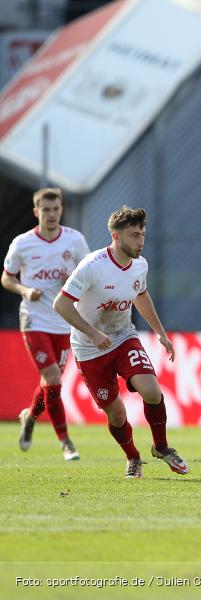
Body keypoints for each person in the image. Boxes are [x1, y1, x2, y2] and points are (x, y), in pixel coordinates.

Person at [52, 206, 189, 479]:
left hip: (124, 337)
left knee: (151, 390)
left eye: (142, 235)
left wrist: (160, 332)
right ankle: (133, 458)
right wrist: (92, 333)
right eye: (134, 235)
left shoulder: (140, 265)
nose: (140, 241)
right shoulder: (92, 266)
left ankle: (161, 447)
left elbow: (141, 295)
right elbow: (61, 304)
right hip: (89, 348)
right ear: (116, 236)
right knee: (115, 414)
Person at [2, 188, 89, 461]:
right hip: (35, 319)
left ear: (61, 210)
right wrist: (25, 291)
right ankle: (66, 442)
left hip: (64, 321)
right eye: (46, 210)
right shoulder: (23, 243)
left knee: (49, 384)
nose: (51, 214)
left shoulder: (74, 241)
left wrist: (71, 283)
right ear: (36, 212)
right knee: (53, 378)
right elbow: (6, 278)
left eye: (55, 209)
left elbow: (88, 275)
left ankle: (29, 417)